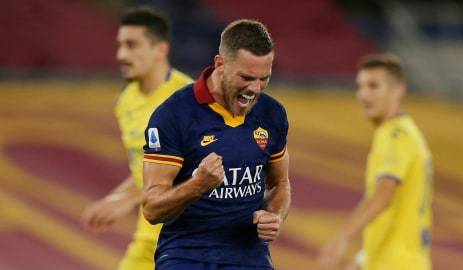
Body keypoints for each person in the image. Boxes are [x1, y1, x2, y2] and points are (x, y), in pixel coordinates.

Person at [141, 19, 291, 270]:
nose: (254, 89)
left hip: (249, 257)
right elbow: (152, 209)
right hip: (186, 255)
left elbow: (280, 183)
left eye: (264, 79)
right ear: (220, 64)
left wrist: (275, 215)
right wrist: (198, 185)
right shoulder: (173, 115)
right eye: (246, 77)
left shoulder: (272, 113)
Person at [82, 6, 192, 270]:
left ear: (160, 49)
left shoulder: (190, 100)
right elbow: (146, 167)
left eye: (132, 45)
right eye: (120, 45)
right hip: (148, 240)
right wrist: (114, 199)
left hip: (188, 242)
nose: (121, 55)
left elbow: (194, 172)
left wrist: (128, 201)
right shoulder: (126, 100)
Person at [318, 53, 433, 270]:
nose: (363, 94)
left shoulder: (395, 136)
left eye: (373, 86)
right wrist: (361, 262)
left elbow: (383, 196)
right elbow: (395, 215)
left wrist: (342, 236)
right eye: (360, 86)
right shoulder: (406, 134)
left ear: (398, 90)